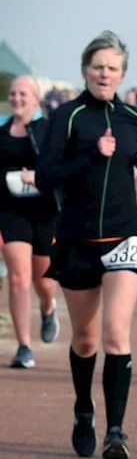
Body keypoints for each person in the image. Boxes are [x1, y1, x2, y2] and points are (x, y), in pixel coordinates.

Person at [36, 31, 137, 459]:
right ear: (86, 70)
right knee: (85, 339)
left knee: (115, 333)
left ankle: (116, 432)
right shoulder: (68, 116)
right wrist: (91, 155)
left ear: (123, 74)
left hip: (126, 235)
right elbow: (47, 175)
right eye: (98, 66)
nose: (105, 73)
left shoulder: (136, 118)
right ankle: (84, 410)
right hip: (77, 240)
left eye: (113, 67)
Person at [2, 75, 61, 368]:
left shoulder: (48, 131)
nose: (18, 98)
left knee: (44, 282)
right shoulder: (1, 133)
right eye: (14, 94)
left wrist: (36, 177)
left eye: (24, 94)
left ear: (36, 99)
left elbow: (60, 170)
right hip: (11, 212)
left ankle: (48, 307)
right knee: (18, 277)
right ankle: (24, 346)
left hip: (45, 212)